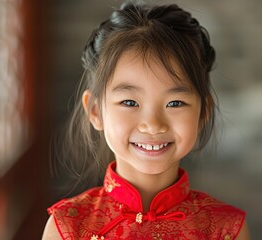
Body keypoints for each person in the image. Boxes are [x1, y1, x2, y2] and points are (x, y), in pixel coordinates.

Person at [42, 1, 250, 239]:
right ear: (96, 111)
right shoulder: (68, 227)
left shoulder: (227, 229)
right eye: (130, 103)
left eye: (175, 103)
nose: (152, 124)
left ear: (203, 112)